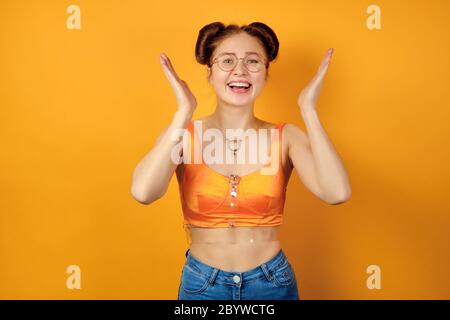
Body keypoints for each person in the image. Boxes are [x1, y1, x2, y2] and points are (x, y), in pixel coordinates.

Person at [131, 21, 352, 300]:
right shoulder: (183, 134)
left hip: (272, 283)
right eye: (227, 61)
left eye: (253, 61)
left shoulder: (286, 137)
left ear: (265, 73)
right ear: (209, 73)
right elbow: (143, 192)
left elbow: (337, 192)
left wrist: (309, 110)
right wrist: (183, 112)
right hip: (202, 285)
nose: (240, 70)